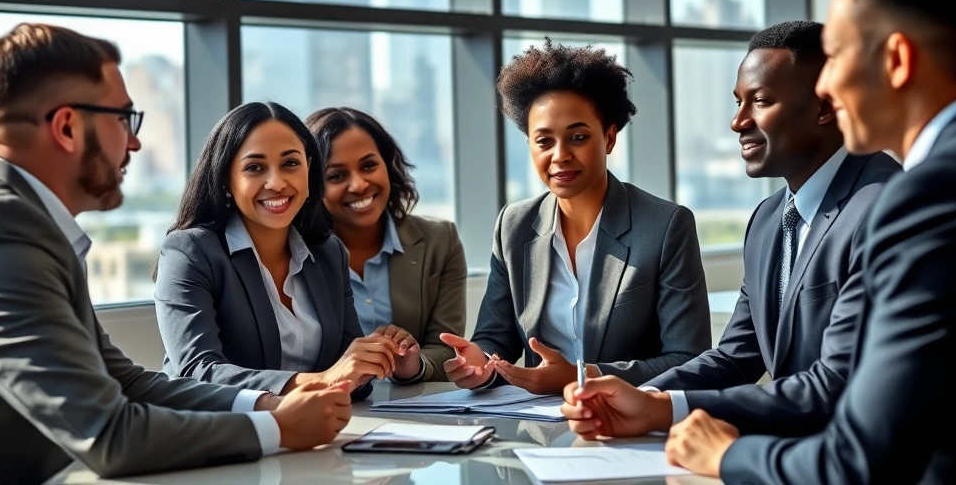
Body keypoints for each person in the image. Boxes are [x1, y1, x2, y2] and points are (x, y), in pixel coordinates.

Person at [578, 0, 956, 483]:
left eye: (838, 56)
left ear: (898, 59)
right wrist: (650, 400)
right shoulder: (769, 219)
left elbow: (856, 438)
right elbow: (741, 353)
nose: (829, 83)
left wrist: (724, 456)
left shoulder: (913, 197)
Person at [0, 24, 351, 483]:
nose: (133, 142)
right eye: (123, 120)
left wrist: (268, 402)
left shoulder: (20, 223)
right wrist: (277, 428)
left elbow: (127, 382)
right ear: (68, 127)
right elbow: (109, 435)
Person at [559, 21, 900, 439]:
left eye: (760, 101)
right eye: (738, 102)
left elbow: (837, 383)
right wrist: (636, 396)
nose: (738, 122)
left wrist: (662, 410)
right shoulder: (769, 220)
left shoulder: (887, 206)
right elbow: (738, 358)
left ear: (826, 106)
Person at [440, 40, 712, 394]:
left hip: (629, 419)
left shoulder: (663, 226)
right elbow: (497, 337)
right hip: (535, 425)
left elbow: (688, 359)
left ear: (609, 138)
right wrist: (479, 362)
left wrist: (582, 375)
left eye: (578, 137)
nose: (560, 155)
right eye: (544, 141)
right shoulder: (514, 225)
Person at [154, 102, 422, 401]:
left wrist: (376, 358)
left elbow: (350, 377)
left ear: (309, 169)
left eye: (290, 163)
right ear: (225, 179)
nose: (276, 182)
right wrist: (322, 380)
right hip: (220, 434)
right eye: (254, 167)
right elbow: (197, 371)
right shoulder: (190, 251)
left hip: (315, 431)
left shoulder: (327, 252)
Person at [306, 107, 467, 383]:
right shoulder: (295, 253)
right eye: (336, 176)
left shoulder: (440, 241)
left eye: (369, 166)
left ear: (388, 166)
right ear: (312, 186)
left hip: (412, 411)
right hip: (325, 406)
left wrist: (413, 365)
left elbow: (448, 349)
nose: (358, 184)